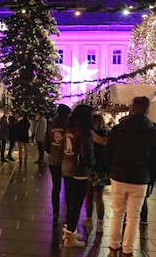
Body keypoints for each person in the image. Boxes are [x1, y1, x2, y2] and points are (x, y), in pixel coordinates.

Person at [106, 96, 156, 257]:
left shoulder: (118, 129)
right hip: (140, 179)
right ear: (147, 110)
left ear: (132, 108)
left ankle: (112, 251)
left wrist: (111, 171)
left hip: (118, 176)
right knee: (133, 217)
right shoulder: (153, 132)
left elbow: (109, 154)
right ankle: (127, 254)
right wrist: (151, 179)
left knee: (117, 213)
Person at [61, 104, 95, 248]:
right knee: (76, 204)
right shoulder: (84, 131)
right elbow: (87, 153)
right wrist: (91, 164)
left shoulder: (69, 128)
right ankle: (69, 237)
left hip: (67, 166)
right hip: (79, 170)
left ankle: (71, 231)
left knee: (70, 202)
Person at [44, 103, 71, 226]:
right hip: (66, 159)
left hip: (53, 160)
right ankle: (69, 214)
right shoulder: (69, 125)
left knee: (56, 187)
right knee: (68, 188)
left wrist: (52, 151)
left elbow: (46, 144)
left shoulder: (51, 124)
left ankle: (55, 214)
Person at [83, 114, 109, 234]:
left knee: (89, 195)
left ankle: (89, 219)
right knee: (99, 197)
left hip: (91, 167)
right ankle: (100, 223)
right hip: (102, 168)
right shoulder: (107, 134)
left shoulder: (90, 134)